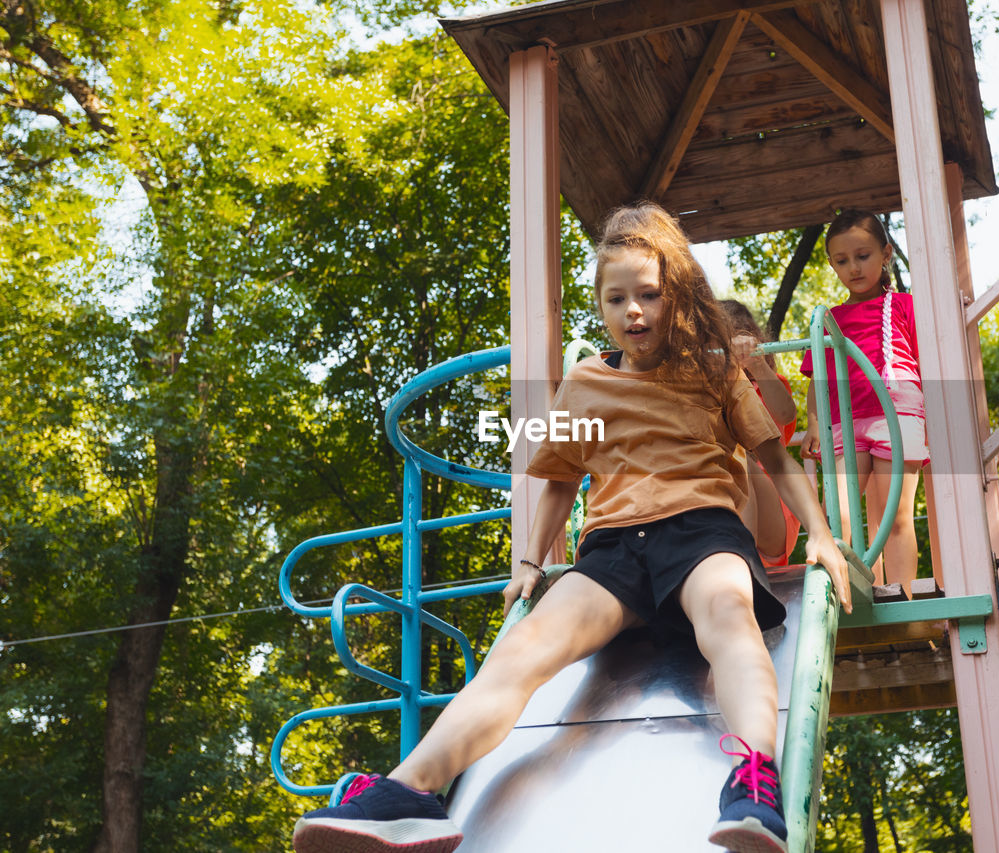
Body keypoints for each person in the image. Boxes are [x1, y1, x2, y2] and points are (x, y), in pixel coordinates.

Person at [291, 202, 852, 853]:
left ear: (675, 297)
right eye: (618, 298)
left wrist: (818, 532)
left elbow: (772, 454)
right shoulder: (585, 380)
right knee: (522, 652)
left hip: (702, 533)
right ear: (601, 305)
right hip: (612, 551)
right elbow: (560, 478)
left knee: (729, 615)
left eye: (649, 295)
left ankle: (754, 780)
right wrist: (529, 559)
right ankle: (411, 790)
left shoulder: (712, 367)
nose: (634, 311)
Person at [800, 210, 928, 594]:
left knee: (894, 518)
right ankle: (848, 594)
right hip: (844, 421)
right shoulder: (829, 319)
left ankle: (903, 600)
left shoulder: (905, 305)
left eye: (863, 255)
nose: (853, 268)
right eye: (842, 261)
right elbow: (815, 378)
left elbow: (927, 363)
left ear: (886, 253)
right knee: (837, 515)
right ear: (832, 264)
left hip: (898, 412)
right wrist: (811, 422)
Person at [719, 299, 802, 568]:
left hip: (773, 514)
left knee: (738, 458)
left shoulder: (764, 386)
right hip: (723, 505)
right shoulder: (709, 393)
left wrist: (757, 366)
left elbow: (786, 415)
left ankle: (743, 567)